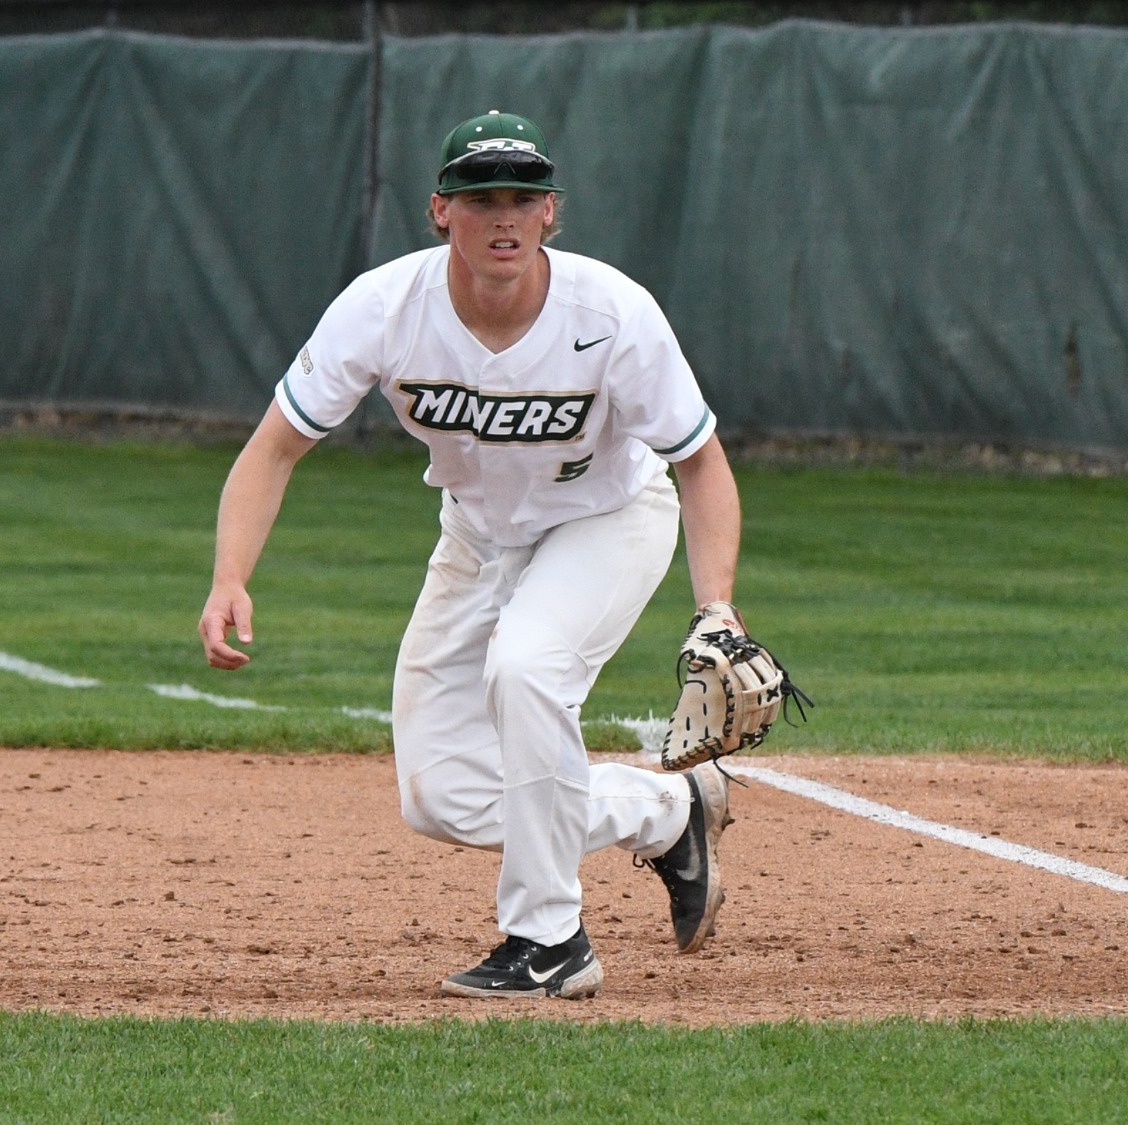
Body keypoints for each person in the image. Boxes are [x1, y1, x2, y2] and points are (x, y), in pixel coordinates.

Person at [198, 111, 741, 1001]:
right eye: (481, 195)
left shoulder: (610, 313)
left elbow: (700, 461)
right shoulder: (383, 309)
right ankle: (667, 812)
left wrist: (714, 604)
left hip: (606, 517)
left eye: (524, 197)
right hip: (478, 533)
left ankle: (549, 940)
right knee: (441, 792)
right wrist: (229, 577)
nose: (505, 216)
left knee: (526, 666)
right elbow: (274, 448)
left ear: (551, 214)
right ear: (439, 211)